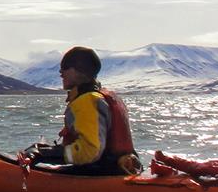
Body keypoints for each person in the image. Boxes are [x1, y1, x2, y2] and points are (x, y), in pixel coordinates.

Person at [27, 46, 142, 175]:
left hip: (101, 171)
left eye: (65, 67)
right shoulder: (102, 96)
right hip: (119, 168)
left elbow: (90, 151)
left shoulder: (87, 100)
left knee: (38, 152)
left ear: (78, 70)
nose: (60, 72)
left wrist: (45, 154)